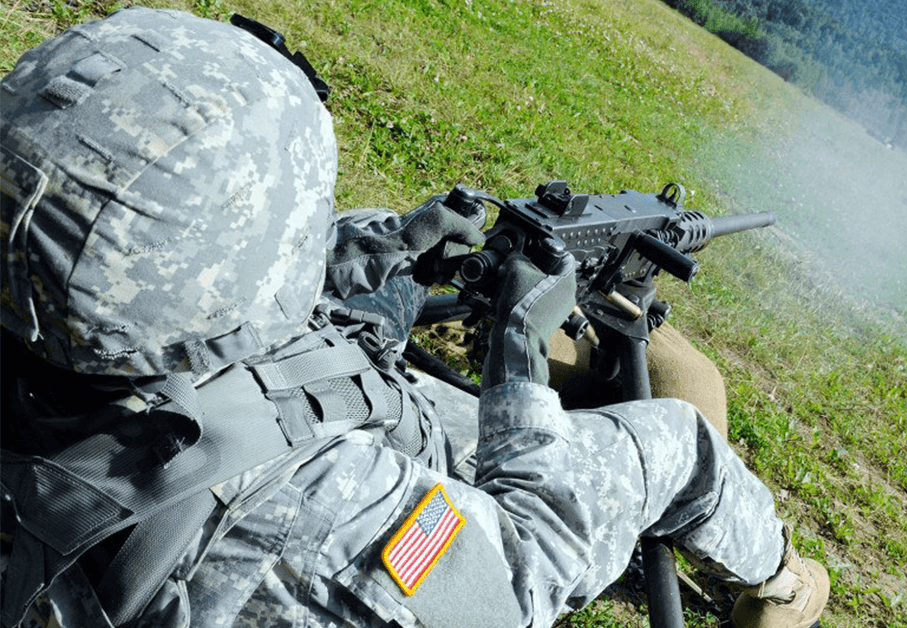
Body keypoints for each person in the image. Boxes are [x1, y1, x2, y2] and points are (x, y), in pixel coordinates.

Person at [0, 7, 828, 628]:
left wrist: (384, 256)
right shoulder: (312, 523)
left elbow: (180, 294)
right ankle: (781, 588)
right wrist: (520, 364)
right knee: (683, 418)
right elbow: (516, 573)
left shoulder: (62, 319)